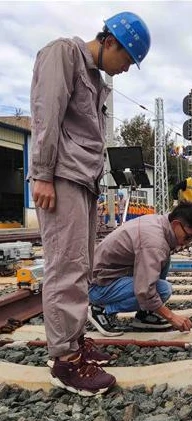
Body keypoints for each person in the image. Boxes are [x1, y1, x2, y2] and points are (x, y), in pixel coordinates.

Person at [28, 11, 151, 396]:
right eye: (128, 58)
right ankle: (64, 360)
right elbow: (46, 114)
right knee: (65, 265)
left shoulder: (95, 79)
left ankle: (76, 342)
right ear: (110, 40)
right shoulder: (63, 54)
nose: (126, 68)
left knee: (80, 264)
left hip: (82, 181)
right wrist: (43, 173)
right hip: (61, 176)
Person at [88, 202, 192, 336]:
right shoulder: (154, 242)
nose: (188, 242)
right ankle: (102, 309)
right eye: (188, 237)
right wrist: (171, 316)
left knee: (164, 257)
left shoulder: (161, 223)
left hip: (111, 275)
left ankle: (145, 313)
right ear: (176, 224)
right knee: (163, 290)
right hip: (98, 286)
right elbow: (145, 291)